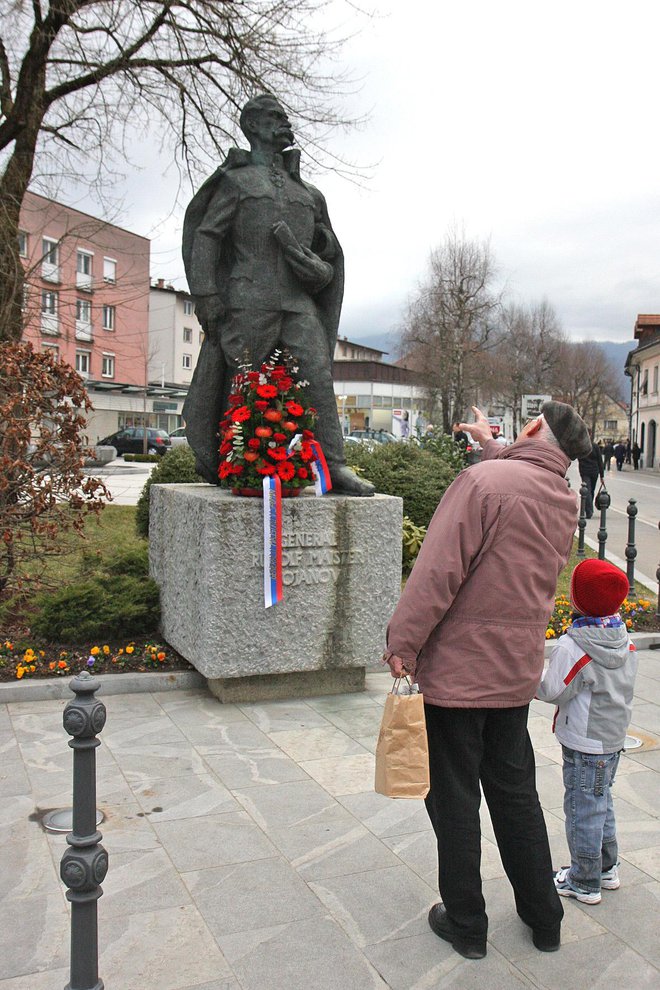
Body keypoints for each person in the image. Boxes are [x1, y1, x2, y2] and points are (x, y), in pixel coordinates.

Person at [383, 400, 592, 959]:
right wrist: (491, 445)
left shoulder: (481, 483)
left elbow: (436, 572)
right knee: (516, 795)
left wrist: (401, 643)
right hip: (513, 671)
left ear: (529, 427)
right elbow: (522, 480)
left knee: (453, 801)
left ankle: (467, 924)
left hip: (457, 670)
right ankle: (544, 919)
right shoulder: (562, 498)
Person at [181, 94, 373, 496]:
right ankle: (229, 464)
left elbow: (327, 248)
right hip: (247, 299)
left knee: (317, 376)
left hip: (297, 302)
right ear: (252, 126)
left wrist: (320, 256)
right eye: (275, 118)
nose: (285, 123)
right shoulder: (237, 182)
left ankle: (334, 466)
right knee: (243, 383)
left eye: (285, 118)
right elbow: (207, 238)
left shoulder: (308, 193)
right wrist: (207, 296)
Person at [536, 559, 637, 905]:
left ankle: (583, 880)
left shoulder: (574, 646)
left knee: (582, 809)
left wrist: (527, 673)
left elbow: (552, 690)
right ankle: (606, 868)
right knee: (601, 802)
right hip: (612, 739)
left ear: (578, 600)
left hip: (584, 744)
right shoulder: (622, 638)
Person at [577, 436, 604, 519]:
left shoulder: (581, 446)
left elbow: (577, 457)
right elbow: (600, 461)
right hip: (593, 471)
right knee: (590, 490)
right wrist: (601, 476)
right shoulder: (595, 446)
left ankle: (588, 509)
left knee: (588, 490)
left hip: (585, 471)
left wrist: (602, 475)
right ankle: (589, 510)